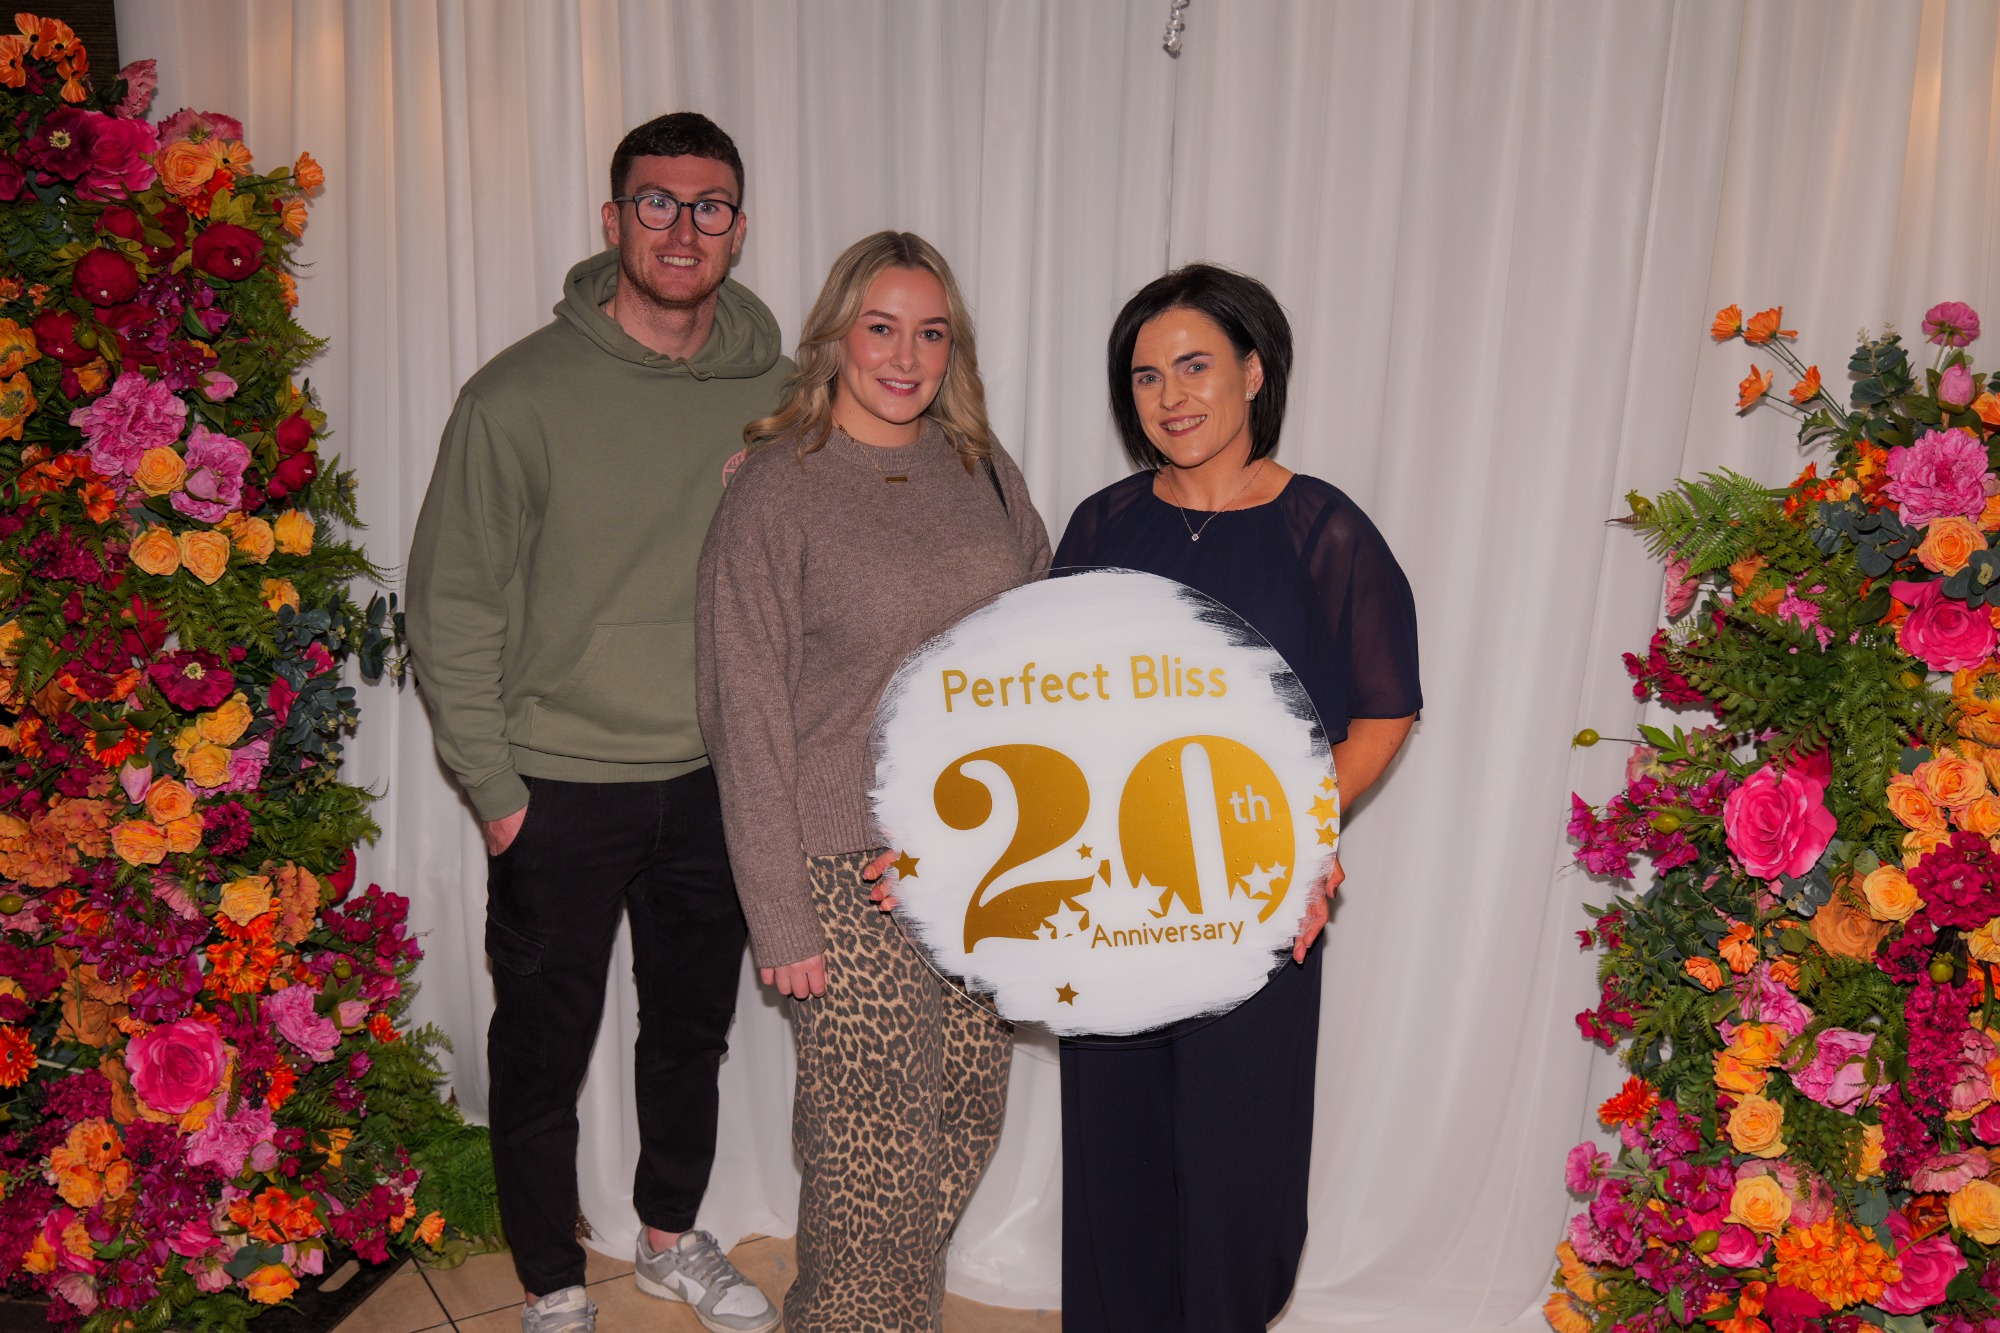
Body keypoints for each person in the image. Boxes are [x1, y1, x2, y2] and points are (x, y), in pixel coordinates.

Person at [405, 112, 786, 1333]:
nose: (682, 228)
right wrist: (495, 791)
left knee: (690, 1034)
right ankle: (551, 1282)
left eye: (708, 206)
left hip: (716, 777)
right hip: (558, 782)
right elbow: (451, 604)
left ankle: (669, 1237)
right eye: (656, 203)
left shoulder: (782, 394)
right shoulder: (515, 396)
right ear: (613, 220)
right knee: (542, 1049)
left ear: (738, 227)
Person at [1050, 264, 1421, 1330]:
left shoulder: (1324, 530)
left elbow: (1383, 711)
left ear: (1254, 373)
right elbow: (1044, 704)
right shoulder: (1100, 525)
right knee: (1114, 1158)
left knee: (1236, 1171)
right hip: (1110, 899)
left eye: (1195, 365)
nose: (1170, 396)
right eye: (1146, 375)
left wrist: (1292, 835)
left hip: (1254, 898)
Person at [695, 230, 1052, 1332]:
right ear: (835, 338)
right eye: (881, 328)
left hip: (976, 852)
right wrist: (778, 911)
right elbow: (742, 710)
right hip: (839, 860)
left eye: (929, 333)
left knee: (963, 1112)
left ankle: (890, 1316)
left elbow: (1046, 640)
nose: (905, 356)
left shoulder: (982, 470)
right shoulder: (775, 492)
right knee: (868, 1146)